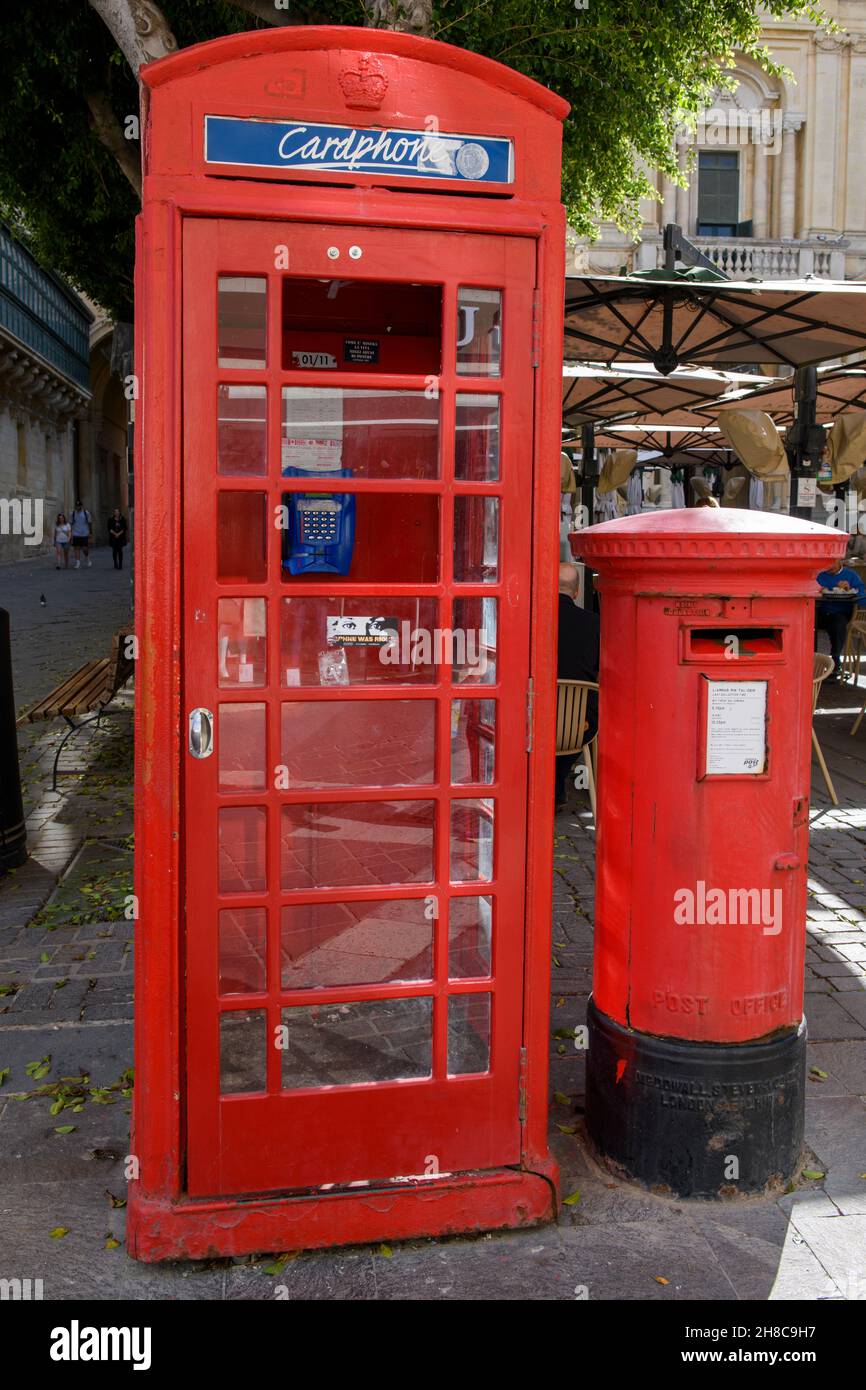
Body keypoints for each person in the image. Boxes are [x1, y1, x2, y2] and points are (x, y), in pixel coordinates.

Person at [556, 562, 601, 808]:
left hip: (534, 721)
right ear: (576, 592)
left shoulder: (532, 621)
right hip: (579, 725)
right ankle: (557, 784)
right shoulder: (594, 623)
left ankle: (550, 789)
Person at [815, 556, 866, 679]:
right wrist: (818, 590)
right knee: (809, 623)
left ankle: (836, 659)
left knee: (838, 624)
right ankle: (813, 659)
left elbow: (862, 596)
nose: (829, 566)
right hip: (821, 611)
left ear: (839, 561)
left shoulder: (851, 576)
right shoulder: (819, 575)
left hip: (841, 613)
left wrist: (850, 589)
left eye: (832, 562)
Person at [70, 499, 92, 568]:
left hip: (84, 533)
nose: (78, 507)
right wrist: (71, 534)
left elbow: (89, 523)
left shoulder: (86, 513)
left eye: (79, 506)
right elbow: (71, 523)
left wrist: (90, 532)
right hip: (76, 533)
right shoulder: (72, 513)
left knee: (85, 548)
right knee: (76, 548)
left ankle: (87, 557)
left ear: (81, 506)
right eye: (77, 506)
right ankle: (78, 562)